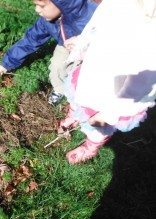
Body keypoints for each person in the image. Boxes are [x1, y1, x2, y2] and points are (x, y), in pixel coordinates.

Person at [60, 0, 156, 164]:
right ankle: (75, 115)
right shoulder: (116, 3)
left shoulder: (150, 31)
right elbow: (97, 24)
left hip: (111, 97)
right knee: (78, 99)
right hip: (93, 75)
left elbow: (144, 84)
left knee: (98, 127)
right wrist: (81, 43)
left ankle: (92, 144)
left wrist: (110, 114)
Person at [0, 0, 98, 105]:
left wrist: (84, 41)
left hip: (94, 50)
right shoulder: (46, 22)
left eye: (41, 6)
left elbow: (108, 34)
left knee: (85, 76)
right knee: (57, 67)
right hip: (66, 46)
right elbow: (30, 40)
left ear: (60, 2)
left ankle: (85, 100)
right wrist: (5, 64)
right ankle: (60, 89)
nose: (37, 10)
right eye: (36, 5)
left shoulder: (88, 13)